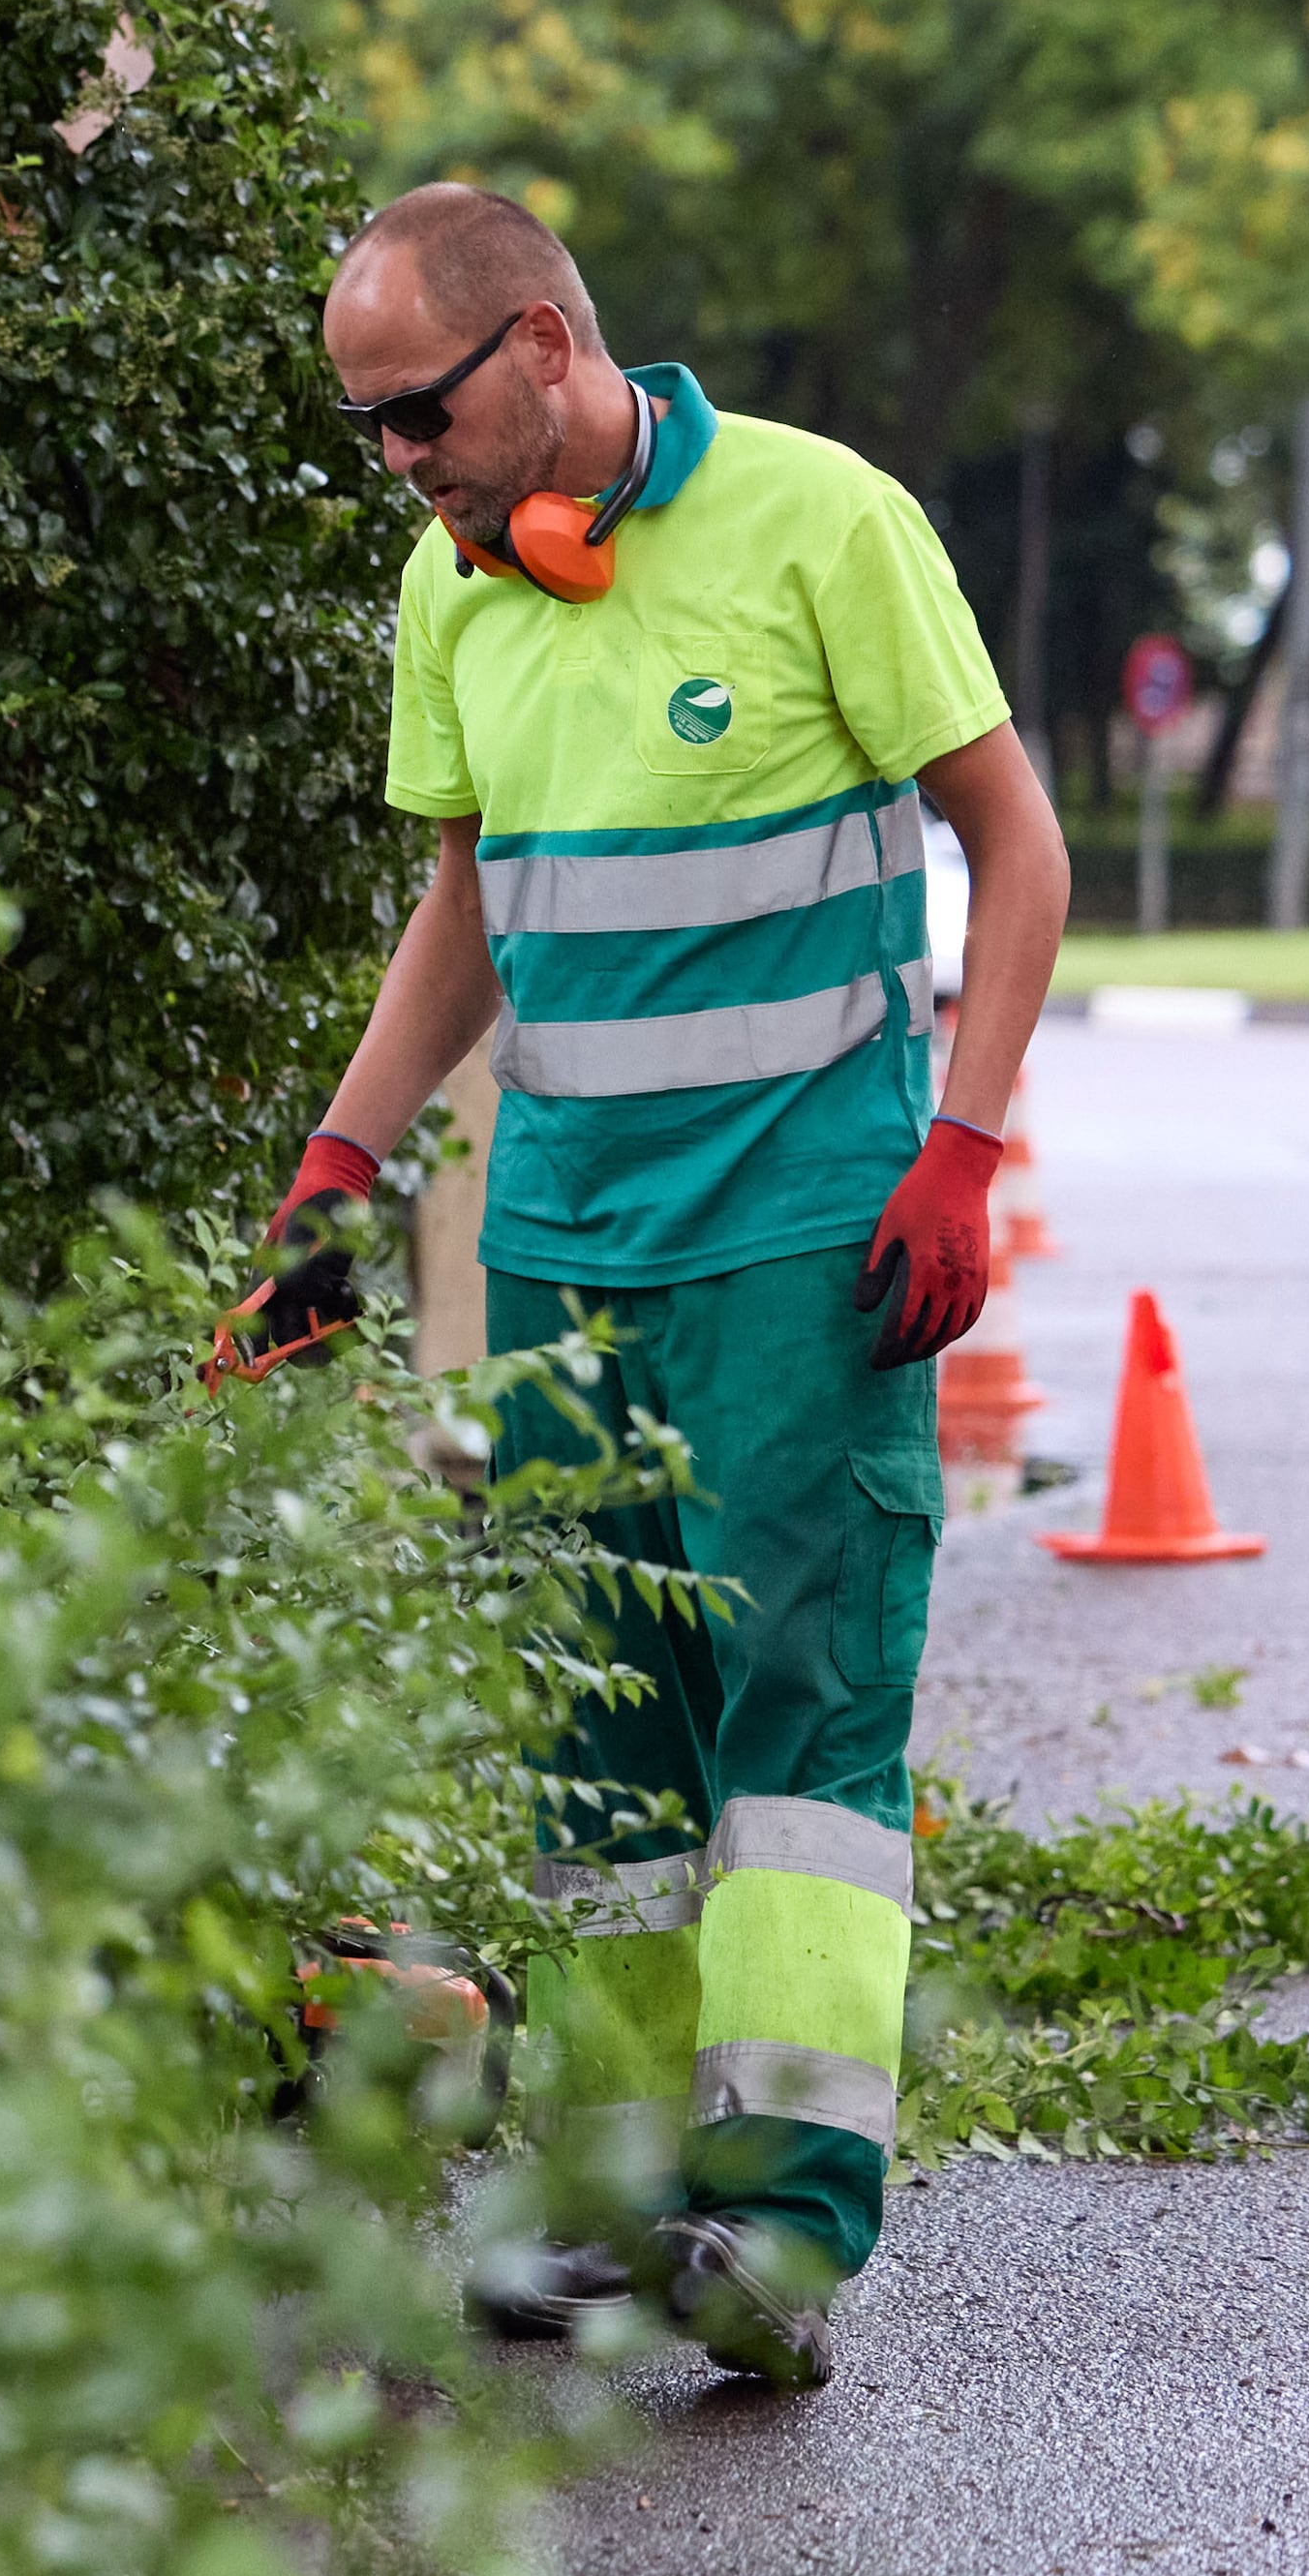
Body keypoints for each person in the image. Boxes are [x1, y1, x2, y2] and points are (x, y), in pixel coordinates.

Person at [235, 184, 1069, 2389]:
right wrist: (340, 1167)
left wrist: (962, 1145)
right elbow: (468, 910)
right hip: (566, 1253)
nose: (394, 459)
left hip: (803, 1244)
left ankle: (782, 2225)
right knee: (600, 1736)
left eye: (412, 411)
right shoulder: (453, 584)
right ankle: (611, 2207)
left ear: (533, 345)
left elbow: (1018, 839)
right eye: (366, 427)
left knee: (794, 1732)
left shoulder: (823, 522)